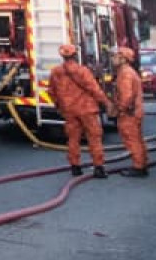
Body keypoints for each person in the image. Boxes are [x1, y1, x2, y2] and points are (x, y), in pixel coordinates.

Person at [49, 41, 112, 179]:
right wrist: (106, 102)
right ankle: (99, 167)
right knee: (94, 138)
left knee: (73, 139)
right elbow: (94, 89)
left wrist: (59, 105)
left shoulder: (55, 72)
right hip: (87, 109)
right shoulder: (82, 71)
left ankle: (75, 167)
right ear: (75, 55)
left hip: (69, 110)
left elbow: (51, 92)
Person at [110, 47, 150, 177]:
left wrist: (119, 109)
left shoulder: (125, 74)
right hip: (134, 112)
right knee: (137, 139)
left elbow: (126, 96)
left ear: (123, 59)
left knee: (132, 139)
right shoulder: (128, 72)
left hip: (129, 114)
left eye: (116, 56)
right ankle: (142, 163)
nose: (113, 59)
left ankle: (138, 167)